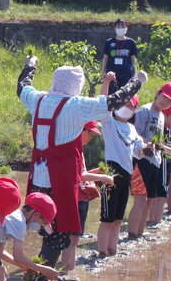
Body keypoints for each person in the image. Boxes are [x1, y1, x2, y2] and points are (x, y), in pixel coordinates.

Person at [17, 54, 147, 269]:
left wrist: (30, 66)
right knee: (59, 231)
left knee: (43, 223)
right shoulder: (77, 105)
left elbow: (22, 85)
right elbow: (115, 101)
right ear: (76, 86)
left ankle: (36, 271)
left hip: (37, 176)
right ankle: (39, 278)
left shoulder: (36, 98)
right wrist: (137, 82)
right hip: (61, 179)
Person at [96, 75, 146, 255]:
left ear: (135, 109)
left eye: (131, 105)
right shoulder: (109, 122)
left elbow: (138, 151)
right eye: (125, 104)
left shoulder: (132, 129)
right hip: (111, 173)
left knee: (118, 220)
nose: (128, 108)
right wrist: (107, 82)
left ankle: (112, 251)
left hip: (127, 175)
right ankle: (101, 252)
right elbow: (103, 103)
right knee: (106, 220)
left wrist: (149, 148)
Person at [60, 120, 114, 271]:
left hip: (81, 197)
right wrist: (103, 178)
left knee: (75, 238)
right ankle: (65, 270)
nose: (91, 136)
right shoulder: (72, 149)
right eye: (89, 132)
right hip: (75, 197)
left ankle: (70, 269)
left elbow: (82, 173)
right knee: (70, 238)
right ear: (80, 130)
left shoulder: (79, 150)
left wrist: (96, 172)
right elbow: (78, 176)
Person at [128, 82, 171, 237]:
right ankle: (132, 234)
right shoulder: (145, 110)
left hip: (155, 161)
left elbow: (157, 141)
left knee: (150, 200)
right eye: (164, 97)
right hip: (142, 159)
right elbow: (136, 135)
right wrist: (151, 144)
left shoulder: (161, 116)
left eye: (169, 100)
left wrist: (160, 146)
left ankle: (139, 234)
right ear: (158, 93)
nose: (165, 101)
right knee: (140, 200)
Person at [101, 18, 139, 93]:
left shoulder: (130, 42)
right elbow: (105, 58)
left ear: (126, 28)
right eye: (118, 27)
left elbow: (133, 58)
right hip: (112, 74)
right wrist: (102, 72)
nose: (121, 29)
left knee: (125, 96)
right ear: (115, 28)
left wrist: (135, 74)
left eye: (123, 27)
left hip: (126, 74)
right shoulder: (109, 42)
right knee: (110, 95)